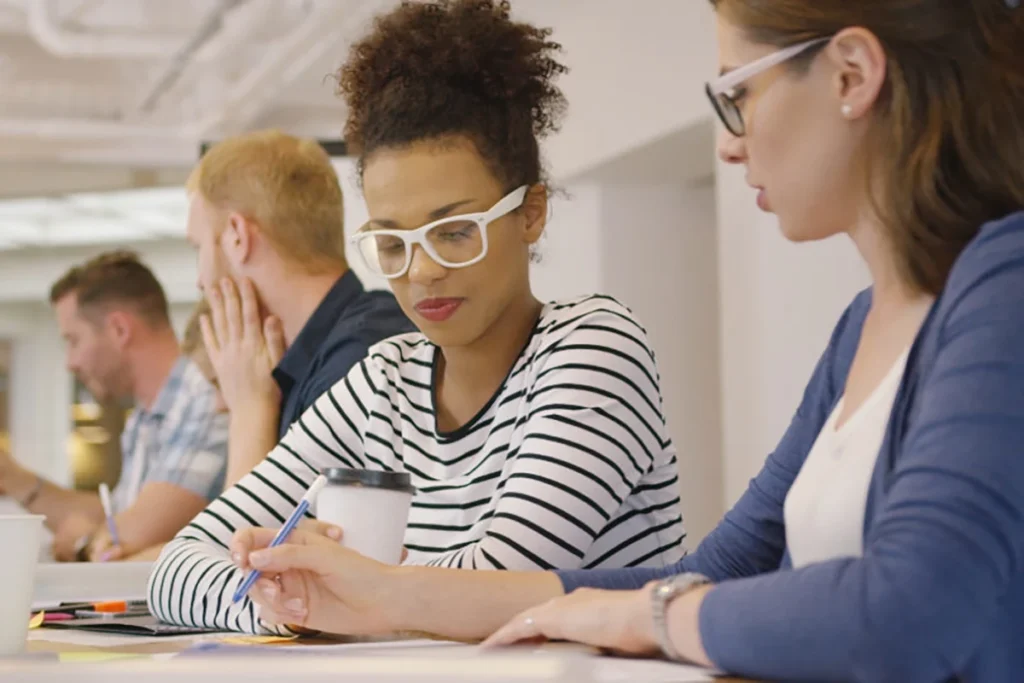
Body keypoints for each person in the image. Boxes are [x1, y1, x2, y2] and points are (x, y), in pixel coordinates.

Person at [223, 0, 1024, 680]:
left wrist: (658, 615)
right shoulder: (862, 326)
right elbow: (710, 570)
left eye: (736, 96)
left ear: (852, 75)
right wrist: (376, 592)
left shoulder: (1004, 283)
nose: (728, 142)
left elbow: (912, 606)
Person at [148, 0, 686, 633]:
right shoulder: (386, 378)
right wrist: (291, 605)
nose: (421, 272)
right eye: (393, 243)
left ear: (530, 212)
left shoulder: (593, 347)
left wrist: (333, 588)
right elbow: (176, 567)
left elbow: (502, 581)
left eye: (455, 232)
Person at [185, 130, 413, 486]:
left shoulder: (359, 363)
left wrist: (248, 412)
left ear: (237, 236)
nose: (200, 280)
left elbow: (244, 540)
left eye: (198, 247)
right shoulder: (308, 361)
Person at [0, 251, 229, 562]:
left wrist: (85, 541)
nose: (70, 362)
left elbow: (128, 536)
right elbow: (117, 518)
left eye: (74, 340)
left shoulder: (205, 400)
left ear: (120, 330)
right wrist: (12, 476)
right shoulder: (143, 420)